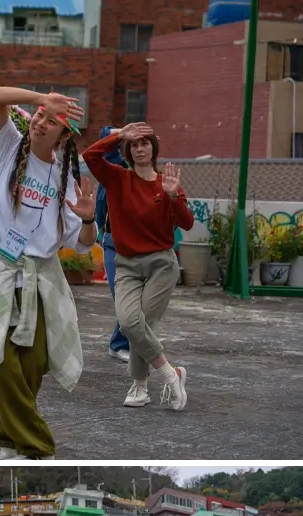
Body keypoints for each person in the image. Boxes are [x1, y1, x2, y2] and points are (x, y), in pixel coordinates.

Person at [0, 87, 97, 465]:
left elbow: (84, 243)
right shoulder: (8, 146)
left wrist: (88, 217)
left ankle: (7, 442)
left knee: (32, 364)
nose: (41, 123)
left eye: (52, 121)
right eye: (39, 115)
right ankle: (38, 444)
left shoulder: (64, 179)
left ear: (65, 135)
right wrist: (42, 96)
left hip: (41, 278)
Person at [83, 122, 194, 412]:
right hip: (127, 265)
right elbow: (90, 157)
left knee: (142, 322)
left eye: (145, 143)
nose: (140, 148)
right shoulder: (118, 178)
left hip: (161, 265)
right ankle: (171, 374)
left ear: (153, 148)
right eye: (134, 144)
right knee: (131, 322)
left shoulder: (167, 183)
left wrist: (173, 197)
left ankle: (140, 387)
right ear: (128, 151)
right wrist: (118, 135)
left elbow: (187, 223)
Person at [94, 126, 130, 363]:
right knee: (124, 298)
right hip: (113, 241)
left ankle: (125, 341)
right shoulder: (113, 170)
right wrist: (122, 132)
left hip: (138, 244)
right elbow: (102, 142)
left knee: (135, 300)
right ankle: (119, 343)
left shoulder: (139, 171)